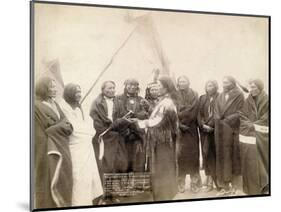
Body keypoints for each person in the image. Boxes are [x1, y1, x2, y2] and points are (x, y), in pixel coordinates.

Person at [132, 76, 178, 201]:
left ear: (166, 87)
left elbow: (158, 121)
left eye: (159, 86)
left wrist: (138, 123)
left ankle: (164, 195)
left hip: (162, 140)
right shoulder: (162, 101)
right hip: (159, 140)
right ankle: (162, 194)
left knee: (162, 167)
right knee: (160, 167)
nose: (158, 88)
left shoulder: (167, 102)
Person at [61, 83, 103, 206]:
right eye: (76, 92)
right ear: (69, 93)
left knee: (88, 176)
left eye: (80, 91)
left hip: (86, 147)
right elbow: (73, 128)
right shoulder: (64, 108)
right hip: (75, 148)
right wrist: (87, 131)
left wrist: (87, 130)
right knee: (78, 176)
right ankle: (77, 204)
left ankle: (86, 202)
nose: (79, 94)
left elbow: (89, 125)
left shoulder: (79, 107)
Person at [34, 77, 73, 208]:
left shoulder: (55, 104)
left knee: (64, 177)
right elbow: (40, 133)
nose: (55, 89)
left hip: (62, 146)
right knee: (46, 178)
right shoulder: (35, 106)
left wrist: (54, 128)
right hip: (47, 148)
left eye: (55, 86)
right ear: (43, 88)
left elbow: (67, 123)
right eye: (51, 87)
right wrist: (58, 127)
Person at [90, 81, 129, 177]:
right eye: (109, 88)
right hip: (104, 137)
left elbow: (124, 117)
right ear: (103, 90)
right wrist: (107, 131)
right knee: (107, 162)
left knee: (120, 161)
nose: (112, 90)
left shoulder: (119, 102)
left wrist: (121, 123)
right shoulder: (96, 103)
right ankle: (107, 186)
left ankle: (117, 186)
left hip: (118, 136)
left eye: (113, 88)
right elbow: (95, 120)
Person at [214, 76, 244, 196]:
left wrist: (227, 120)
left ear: (232, 83)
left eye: (226, 82)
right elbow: (216, 109)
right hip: (220, 130)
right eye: (223, 82)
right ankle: (224, 186)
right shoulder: (221, 95)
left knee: (233, 156)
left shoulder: (239, 95)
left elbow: (241, 111)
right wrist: (218, 119)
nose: (224, 84)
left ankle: (236, 187)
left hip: (232, 129)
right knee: (221, 156)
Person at [239, 79, 269, 195]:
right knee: (251, 161)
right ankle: (252, 188)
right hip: (249, 136)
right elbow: (242, 115)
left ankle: (265, 184)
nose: (251, 90)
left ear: (260, 88)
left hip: (263, 136)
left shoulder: (267, 100)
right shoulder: (247, 101)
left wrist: (254, 125)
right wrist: (249, 125)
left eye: (254, 87)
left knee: (263, 159)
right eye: (250, 88)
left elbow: (267, 117)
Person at [114, 78, 149, 172]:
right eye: (129, 84)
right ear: (125, 85)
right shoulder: (118, 99)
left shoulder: (141, 100)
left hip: (137, 135)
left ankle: (137, 184)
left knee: (137, 160)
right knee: (123, 160)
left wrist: (135, 117)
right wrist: (126, 121)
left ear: (138, 87)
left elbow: (146, 114)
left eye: (134, 85)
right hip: (123, 134)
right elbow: (116, 114)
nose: (132, 87)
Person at [175, 76, 202, 193]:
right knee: (180, 157)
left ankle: (195, 183)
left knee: (193, 157)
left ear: (188, 82)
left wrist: (184, 117)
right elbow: (173, 111)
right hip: (179, 130)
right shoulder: (174, 95)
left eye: (184, 81)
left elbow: (194, 110)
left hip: (191, 129)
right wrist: (179, 125)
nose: (182, 83)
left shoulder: (194, 94)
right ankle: (180, 183)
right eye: (180, 81)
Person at [198, 80, 220, 192]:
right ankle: (209, 183)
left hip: (215, 131)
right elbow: (199, 113)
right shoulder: (202, 98)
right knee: (207, 155)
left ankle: (218, 183)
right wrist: (202, 125)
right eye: (207, 85)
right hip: (204, 131)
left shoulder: (220, 97)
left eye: (211, 85)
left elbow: (219, 114)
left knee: (215, 156)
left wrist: (212, 126)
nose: (209, 87)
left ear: (216, 87)